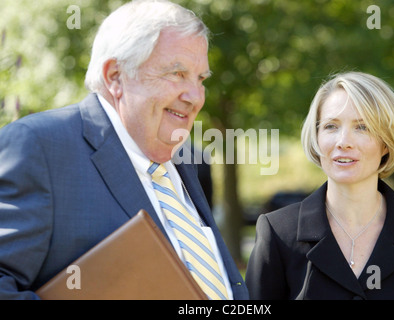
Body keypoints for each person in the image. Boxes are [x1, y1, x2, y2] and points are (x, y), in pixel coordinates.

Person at [0, 0, 248, 300]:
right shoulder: (41, 147)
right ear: (115, 76)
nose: (195, 97)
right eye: (177, 74)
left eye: (201, 79)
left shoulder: (189, 160)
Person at [246, 71, 394, 300]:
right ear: (316, 137)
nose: (343, 142)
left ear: (387, 143)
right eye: (331, 126)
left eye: (362, 127)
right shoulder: (277, 233)